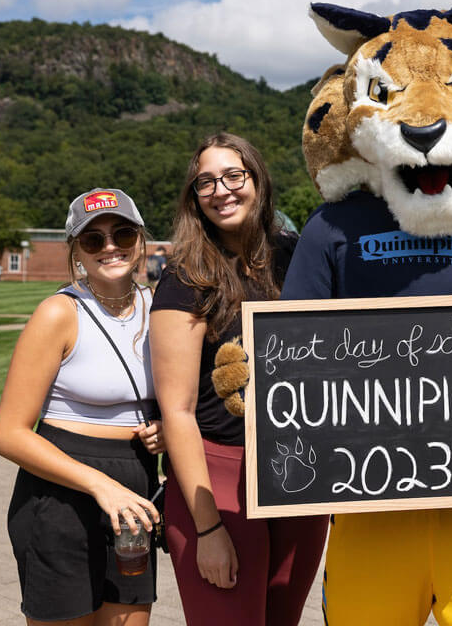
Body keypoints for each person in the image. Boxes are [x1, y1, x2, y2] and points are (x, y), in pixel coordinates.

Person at [150, 133, 328, 625]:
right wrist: (208, 530)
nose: (221, 190)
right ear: (194, 199)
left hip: (299, 472)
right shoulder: (186, 277)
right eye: (205, 182)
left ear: (257, 180)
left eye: (233, 176)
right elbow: (178, 411)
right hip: (219, 477)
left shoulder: (299, 258)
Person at [0, 187, 165, 626]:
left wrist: (164, 427)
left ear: (141, 241)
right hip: (61, 495)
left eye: (122, 234)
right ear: (77, 253)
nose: (110, 247)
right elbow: (8, 434)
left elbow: (181, 401)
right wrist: (99, 485)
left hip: (134, 490)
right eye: (93, 240)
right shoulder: (59, 312)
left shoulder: (160, 309)